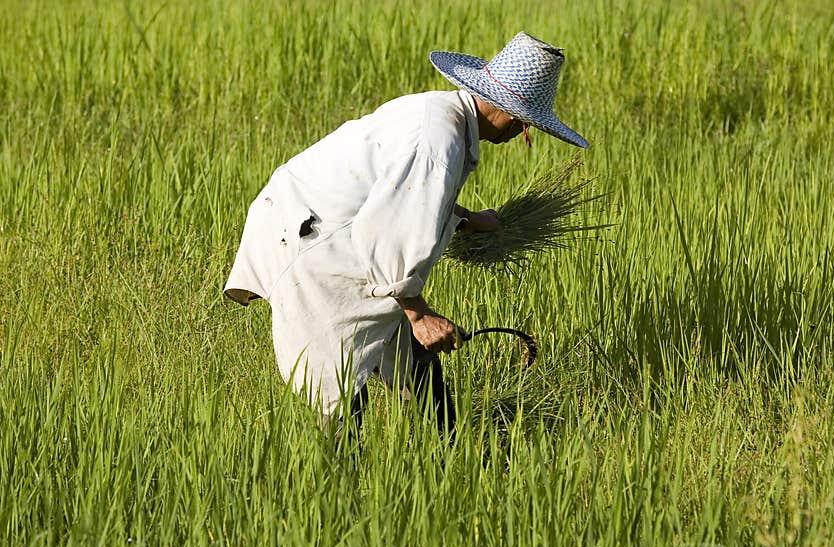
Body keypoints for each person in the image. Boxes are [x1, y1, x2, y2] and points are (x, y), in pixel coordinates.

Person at [223, 31, 589, 436]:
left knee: (416, 368)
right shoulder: (438, 142)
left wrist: (465, 219)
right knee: (343, 386)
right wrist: (420, 314)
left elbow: (393, 195)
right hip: (314, 245)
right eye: (524, 122)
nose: (522, 133)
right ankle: (333, 484)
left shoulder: (438, 111)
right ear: (507, 111)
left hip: (319, 226)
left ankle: (452, 459)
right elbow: (387, 234)